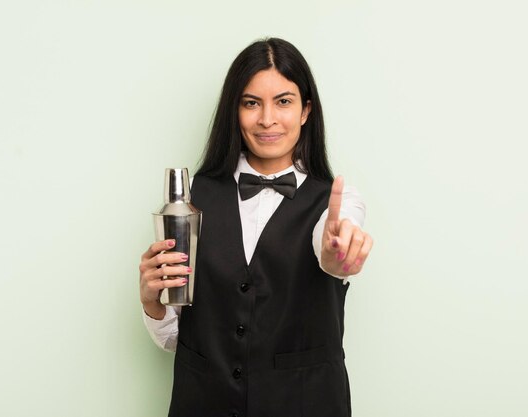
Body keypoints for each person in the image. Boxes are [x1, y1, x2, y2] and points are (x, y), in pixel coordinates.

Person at [139, 38, 373, 417]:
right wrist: (152, 302)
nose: (267, 119)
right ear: (235, 110)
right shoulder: (191, 200)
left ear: (305, 111)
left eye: (283, 101)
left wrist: (337, 254)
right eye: (251, 103)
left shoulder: (339, 203)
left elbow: (332, 246)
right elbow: (174, 340)